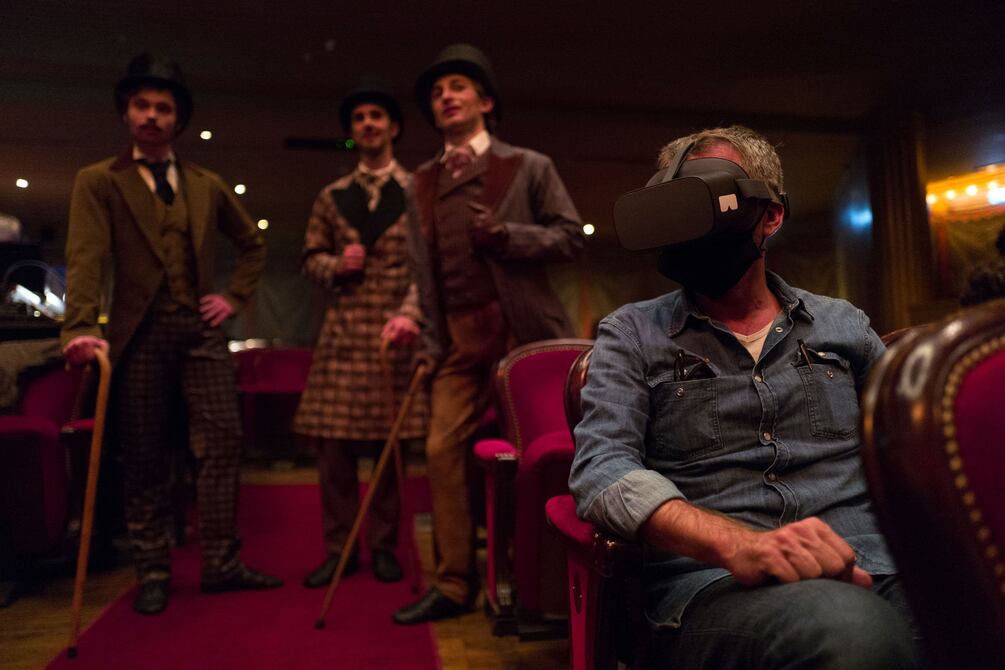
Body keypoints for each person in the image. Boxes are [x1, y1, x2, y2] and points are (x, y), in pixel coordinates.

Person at [569, 126, 923, 668]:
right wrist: (739, 544)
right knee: (854, 631)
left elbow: (913, 448)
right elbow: (602, 470)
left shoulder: (843, 324)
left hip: (876, 564)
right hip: (719, 586)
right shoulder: (632, 334)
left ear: (770, 215)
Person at [61, 53, 281, 615]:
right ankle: (153, 570)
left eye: (163, 107)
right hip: (139, 334)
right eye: (142, 105)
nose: (152, 116)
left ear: (178, 119)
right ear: (126, 113)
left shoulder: (205, 183)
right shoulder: (99, 181)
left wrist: (233, 297)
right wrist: (80, 326)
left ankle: (222, 563)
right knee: (144, 453)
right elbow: (85, 257)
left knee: (223, 442)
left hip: (200, 332)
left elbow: (252, 244)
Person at [393, 44, 585, 624]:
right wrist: (431, 343)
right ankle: (454, 583)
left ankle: (539, 579)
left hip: (523, 336)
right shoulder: (420, 182)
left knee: (536, 455)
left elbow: (569, 236)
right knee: (439, 450)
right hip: (458, 338)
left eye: (457, 86)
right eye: (436, 92)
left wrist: (507, 236)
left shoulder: (528, 164)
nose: (445, 97)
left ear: (486, 101)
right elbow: (424, 273)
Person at [294, 83, 427, 587]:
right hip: (342, 340)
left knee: (389, 454)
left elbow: (427, 268)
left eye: (376, 116)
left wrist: (411, 314)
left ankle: (385, 546)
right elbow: (309, 259)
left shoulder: (418, 191)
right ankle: (340, 549)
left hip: (395, 336)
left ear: (393, 127)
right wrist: (335, 264)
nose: (368, 124)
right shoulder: (331, 196)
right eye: (359, 118)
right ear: (352, 131)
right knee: (333, 455)